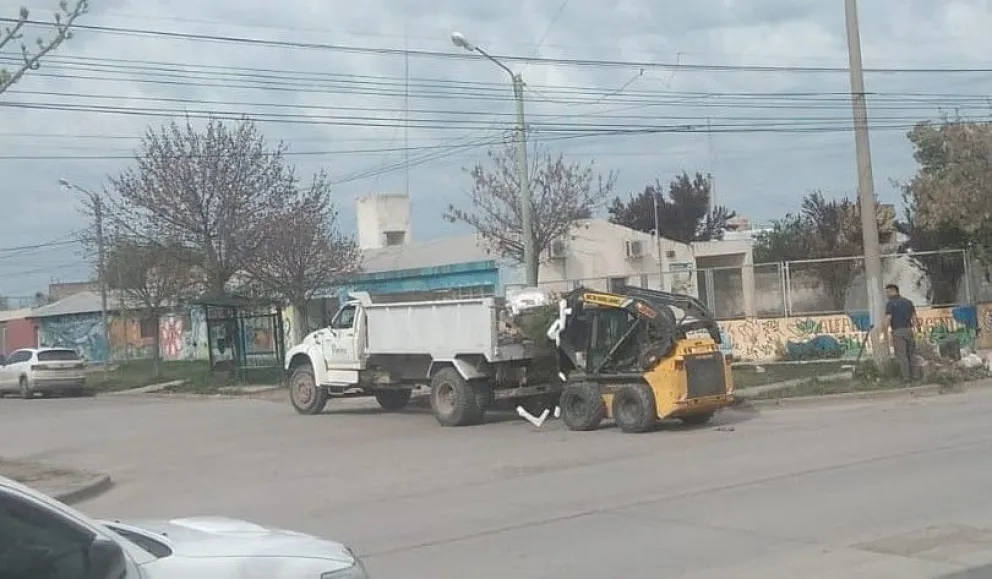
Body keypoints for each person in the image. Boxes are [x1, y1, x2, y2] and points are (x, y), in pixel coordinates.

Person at [884, 283, 919, 382]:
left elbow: (888, 318)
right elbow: (915, 318)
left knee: (902, 356)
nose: (887, 294)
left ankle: (906, 378)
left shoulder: (890, 304)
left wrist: (884, 332)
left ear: (892, 291)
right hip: (909, 330)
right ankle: (916, 376)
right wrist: (917, 330)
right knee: (912, 354)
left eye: (887, 292)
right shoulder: (908, 302)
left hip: (898, 331)